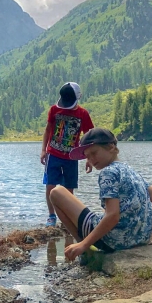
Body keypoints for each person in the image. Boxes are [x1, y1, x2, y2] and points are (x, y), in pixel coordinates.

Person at [49, 128, 152, 261]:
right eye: (87, 156)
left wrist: (83, 244)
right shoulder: (131, 171)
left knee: (56, 192)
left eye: (94, 153)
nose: (91, 160)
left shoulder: (108, 173)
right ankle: (85, 247)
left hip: (113, 241)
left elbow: (113, 216)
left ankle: (85, 252)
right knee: (99, 213)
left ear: (111, 147)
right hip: (140, 239)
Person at [40, 82, 94, 227]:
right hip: (53, 154)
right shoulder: (54, 110)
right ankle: (51, 216)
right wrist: (43, 150)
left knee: (68, 188)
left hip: (71, 157)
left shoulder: (83, 114)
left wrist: (89, 158)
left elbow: (89, 138)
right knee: (50, 185)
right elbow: (47, 130)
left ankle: (67, 217)